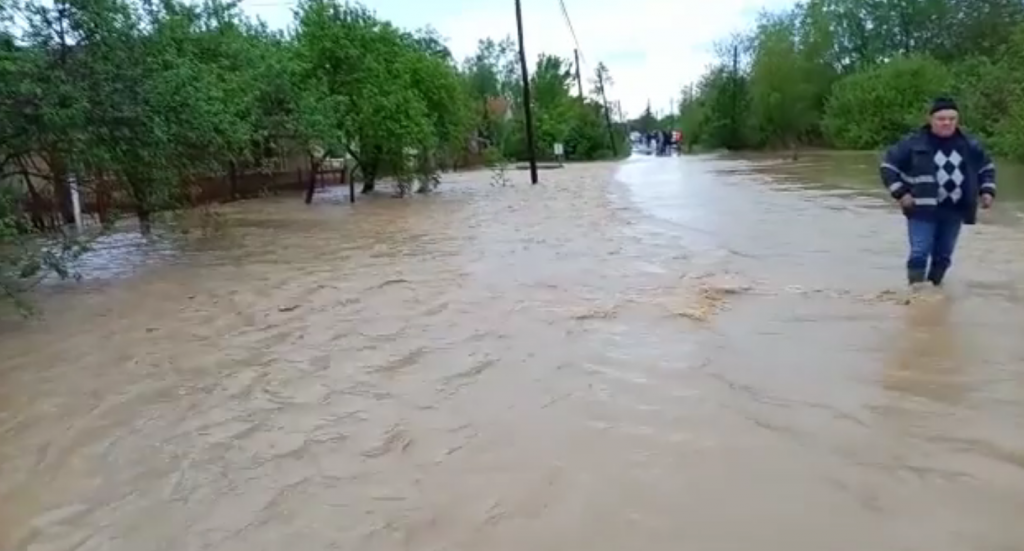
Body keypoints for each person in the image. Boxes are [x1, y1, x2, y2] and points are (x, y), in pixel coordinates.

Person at [879, 97, 997, 287]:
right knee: (919, 252)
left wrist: (987, 190)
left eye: (951, 118)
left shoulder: (970, 145)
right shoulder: (912, 143)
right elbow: (888, 167)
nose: (947, 123)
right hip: (921, 209)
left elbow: (987, 168)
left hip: (955, 210)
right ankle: (916, 294)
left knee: (943, 256)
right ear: (930, 119)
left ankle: (934, 291)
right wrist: (901, 193)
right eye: (941, 118)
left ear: (957, 120)